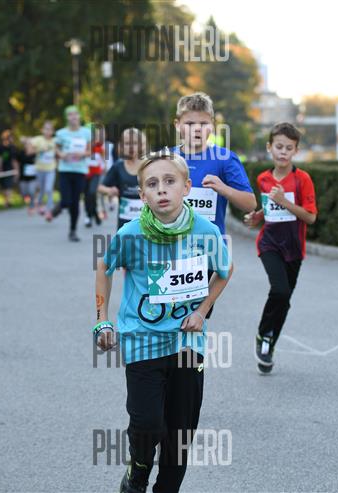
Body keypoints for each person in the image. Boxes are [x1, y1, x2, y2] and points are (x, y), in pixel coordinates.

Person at [94, 150, 233, 493]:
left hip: (187, 342)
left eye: (169, 181)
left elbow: (225, 270)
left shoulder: (205, 231)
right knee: (147, 424)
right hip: (142, 340)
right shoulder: (131, 234)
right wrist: (102, 321)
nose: (161, 189)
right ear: (142, 195)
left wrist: (202, 311)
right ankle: (138, 470)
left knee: (179, 433)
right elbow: (104, 267)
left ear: (186, 187)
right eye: (152, 184)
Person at [243, 123, 317, 375]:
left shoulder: (302, 179)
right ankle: (263, 334)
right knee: (280, 290)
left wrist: (284, 201)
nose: (283, 152)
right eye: (279, 147)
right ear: (269, 148)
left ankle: (269, 344)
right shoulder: (263, 178)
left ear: (296, 151)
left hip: (294, 248)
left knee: (284, 300)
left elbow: (310, 217)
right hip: (269, 244)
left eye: (288, 148)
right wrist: (256, 218)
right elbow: (269, 208)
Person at [171, 92, 256, 236]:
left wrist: (224, 189)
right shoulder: (165, 158)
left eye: (203, 124)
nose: (197, 129)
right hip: (172, 245)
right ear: (177, 125)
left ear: (212, 125)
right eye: (190, 123)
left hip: (211, 246)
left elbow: (250, 204)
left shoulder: (225, 159)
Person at [53, 106, 91, 241]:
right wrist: (61, 154)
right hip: (65, 170)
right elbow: (55, 148)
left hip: (80, 171)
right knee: (66, 200)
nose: (73, 117)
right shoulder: (61, 133)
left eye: (75, 114)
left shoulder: (86, 132)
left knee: (75, 202)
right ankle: (60, 206)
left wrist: (83, 154)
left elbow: (90, 151)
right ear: (67, 117)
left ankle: (73, 230)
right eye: (70, 114)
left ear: (79, 116)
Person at [98, 127, 146, 231]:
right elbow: (100, 187)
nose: (131, 147)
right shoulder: (118, 166)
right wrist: (109, 190)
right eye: (127, 143)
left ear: (141, 145)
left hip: (146, 221)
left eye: (135, 143)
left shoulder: (148, 166)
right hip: (125, 221)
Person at [30, 121, 57, 220]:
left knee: (49, 189)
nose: (48, 131)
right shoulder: (38, 140)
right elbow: (30, 150)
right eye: (46, 129)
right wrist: (40, 150)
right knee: (41, 190)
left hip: (51, 169)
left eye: (50, 129)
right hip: (40, 169)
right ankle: (40, 205)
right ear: (42, 130)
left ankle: (50, 212)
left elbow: (60, 151)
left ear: (52, 131)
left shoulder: (55, 141)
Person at [84, 124, 106, 227]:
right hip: (84, 173)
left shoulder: (99, 146)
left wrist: (104, 168)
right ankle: (90, 216)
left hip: (96, 173)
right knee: (87, 196)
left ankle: (93, 214)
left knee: (92, 192)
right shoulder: (84, 145)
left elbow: (103, 159)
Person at [0, 130, 17, 207]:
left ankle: (8, 201)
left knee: (9, 186)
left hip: (10, 169)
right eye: (11, 137)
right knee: (4, 186)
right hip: (2, 170)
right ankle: (6, 201)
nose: (12, 139)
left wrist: (16, 170)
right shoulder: (0, 147)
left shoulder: (12, 148)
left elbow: (14, 160)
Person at [16, 138, 38, 215]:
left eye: (30, 144)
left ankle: (31, 207)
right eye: (27, 144)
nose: (28, 146)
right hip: (23, 177)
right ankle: (30, 201)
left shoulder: (35, 154)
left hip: (33, 177)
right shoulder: (21, 153)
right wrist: (17, 172)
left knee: (31, 191)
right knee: (24, 193)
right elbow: (16, 162)